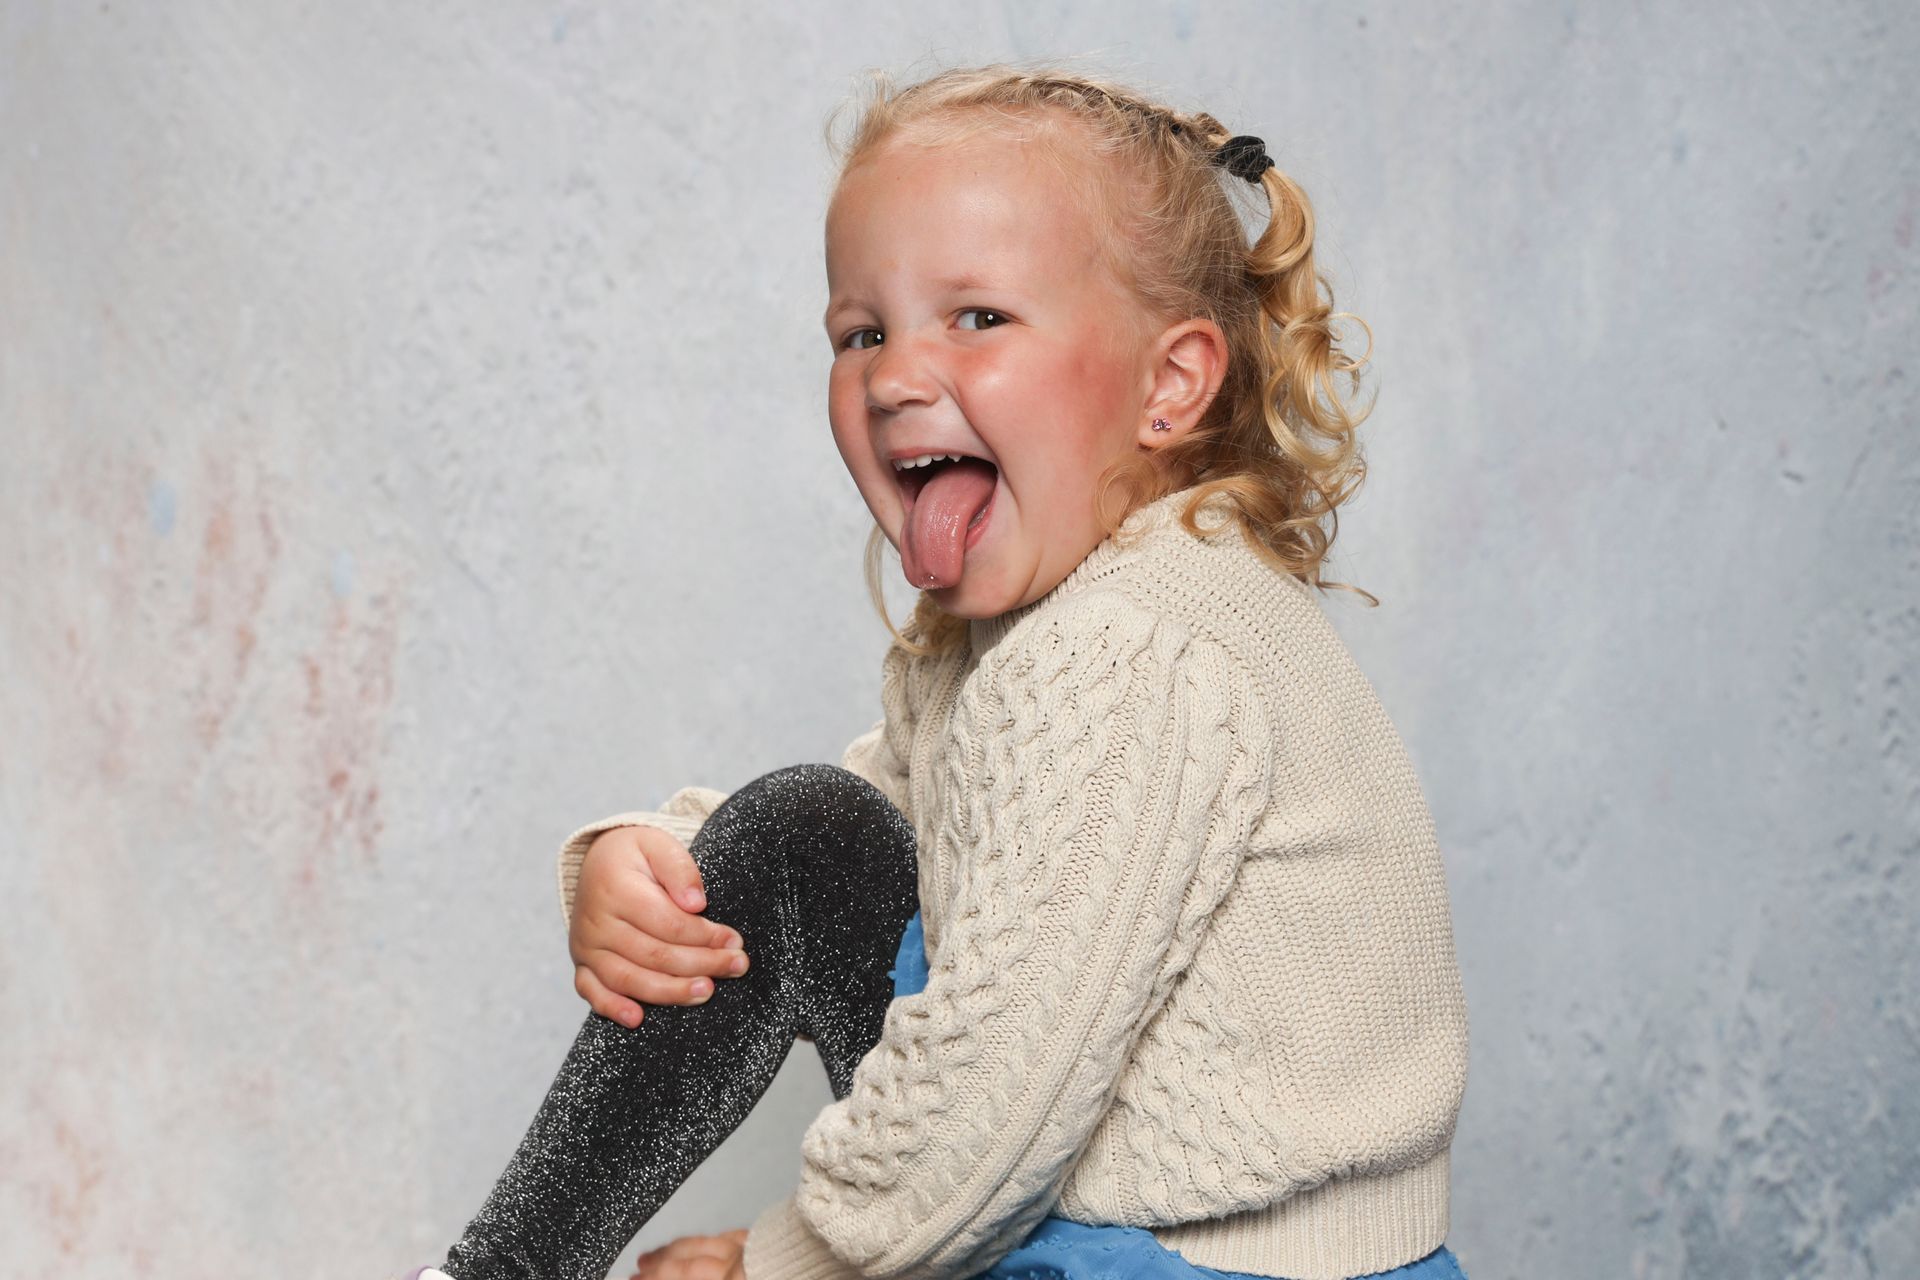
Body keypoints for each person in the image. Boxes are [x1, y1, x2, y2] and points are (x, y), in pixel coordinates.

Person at [396, 61, 1471, 1280]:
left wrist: (773, 1263)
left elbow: (989, 1103)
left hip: (1203, 1261)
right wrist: (646, 865)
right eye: (862, 332)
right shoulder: (1014, 633)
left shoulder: (1138, 645)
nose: (895, 375)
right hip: (1077, 1223)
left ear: (1169, 384)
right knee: (808, 837)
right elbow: (891, 835)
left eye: (978, 318)